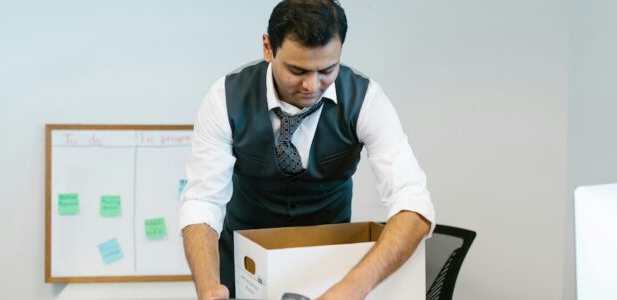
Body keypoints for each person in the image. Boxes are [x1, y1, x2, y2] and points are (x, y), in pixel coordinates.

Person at [179, 1, 435, 299]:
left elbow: (414, 204)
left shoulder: (366, 100)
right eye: (297, 70)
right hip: (243, 270)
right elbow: (202, 201)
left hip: (330, 272)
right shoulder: (225, 98)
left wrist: (351, 289)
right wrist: (209, 287)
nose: (312, 85)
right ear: (268, 48)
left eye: (327, 69)